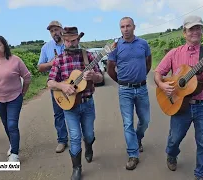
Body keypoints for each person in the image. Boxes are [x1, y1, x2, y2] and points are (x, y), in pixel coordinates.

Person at [154, 15, 203, 180]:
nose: (195, 32)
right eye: (191, 29)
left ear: (202, 31)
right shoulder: (174, 53)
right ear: (184, 32)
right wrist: (162, 85)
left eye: (198, 28)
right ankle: (171, 154)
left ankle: (201, 174)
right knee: (174, 139)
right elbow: (158, 72)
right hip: (179, 104)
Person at [47, 26, 103, 180]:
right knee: (75, 137)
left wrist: (94, 77)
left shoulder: (89, 56)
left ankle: (89, 146)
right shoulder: (59, 60)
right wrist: (63, 86)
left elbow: (101, 77)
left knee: (89, 134)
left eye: (72, 41)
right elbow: (50, 82)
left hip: (87, 103)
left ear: (78, 40)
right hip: (69, 107)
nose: (70, 44)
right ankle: (76, 168)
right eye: (66, 41)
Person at [107, 16, 152, 170]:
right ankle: (133, 154)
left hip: (142, 88)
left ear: (134, 27)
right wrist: (120, 82)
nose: (125, 29)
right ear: (120, 29)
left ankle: (137, 139)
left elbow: (148, 62)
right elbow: (110, 68)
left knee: (145, 120)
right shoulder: (115, 46)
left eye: (128, 26)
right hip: (125, 90)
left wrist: (141, 76)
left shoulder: (143, 44)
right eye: (122, 27)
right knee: (128, 123)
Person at [0, 35, 32, 162]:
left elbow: (27, 77)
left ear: (4, 45)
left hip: (15, 97)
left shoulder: (15, 60)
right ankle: (13, 144)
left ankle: (14, 154)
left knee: (12, 124)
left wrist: (23, 92)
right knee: (5, 124)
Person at [37, 20, 68, 153]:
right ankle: (62, 140)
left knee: (77, 110)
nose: (54, 33)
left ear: (62, 29)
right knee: (59, 113)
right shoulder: (46, 48)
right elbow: (40, 67)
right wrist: (51, 63)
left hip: (73, 84)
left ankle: (79, 136)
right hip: (55, 86)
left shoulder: (70, 43)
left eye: (56, 29)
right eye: (51, 31)